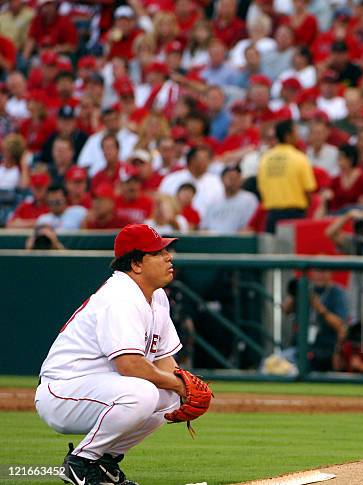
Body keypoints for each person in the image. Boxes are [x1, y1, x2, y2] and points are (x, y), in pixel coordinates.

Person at [34, 224, 211, 485]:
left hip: (99, 389)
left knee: (170, 395)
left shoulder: (157, 297)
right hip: (62, 391)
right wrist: (178, 384)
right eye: (158, 252)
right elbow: (129, 365)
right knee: (143, 393)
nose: (168, 256)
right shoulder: (120, 296)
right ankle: (81, 463)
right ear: (136, 265)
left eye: (166, 250)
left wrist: (183, 385)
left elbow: (164, 361)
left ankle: (105, 464)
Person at [257, 119, 317, 233]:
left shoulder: (265, 159)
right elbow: (308, 190)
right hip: (295, 215)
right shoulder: (300, 158)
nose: (298, 135)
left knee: (273, 250)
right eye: (296, 132)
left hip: (272, 215)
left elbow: (261, 188)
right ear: (288, 135)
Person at [200, 165, 258, 233]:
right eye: (230, 178)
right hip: (213, 241)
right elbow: (204, 227)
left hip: (236, 241)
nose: (233, 181)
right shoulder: (213, 200)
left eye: (236, 178)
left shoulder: (249, 199)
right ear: (222, 179)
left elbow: (251, 227)